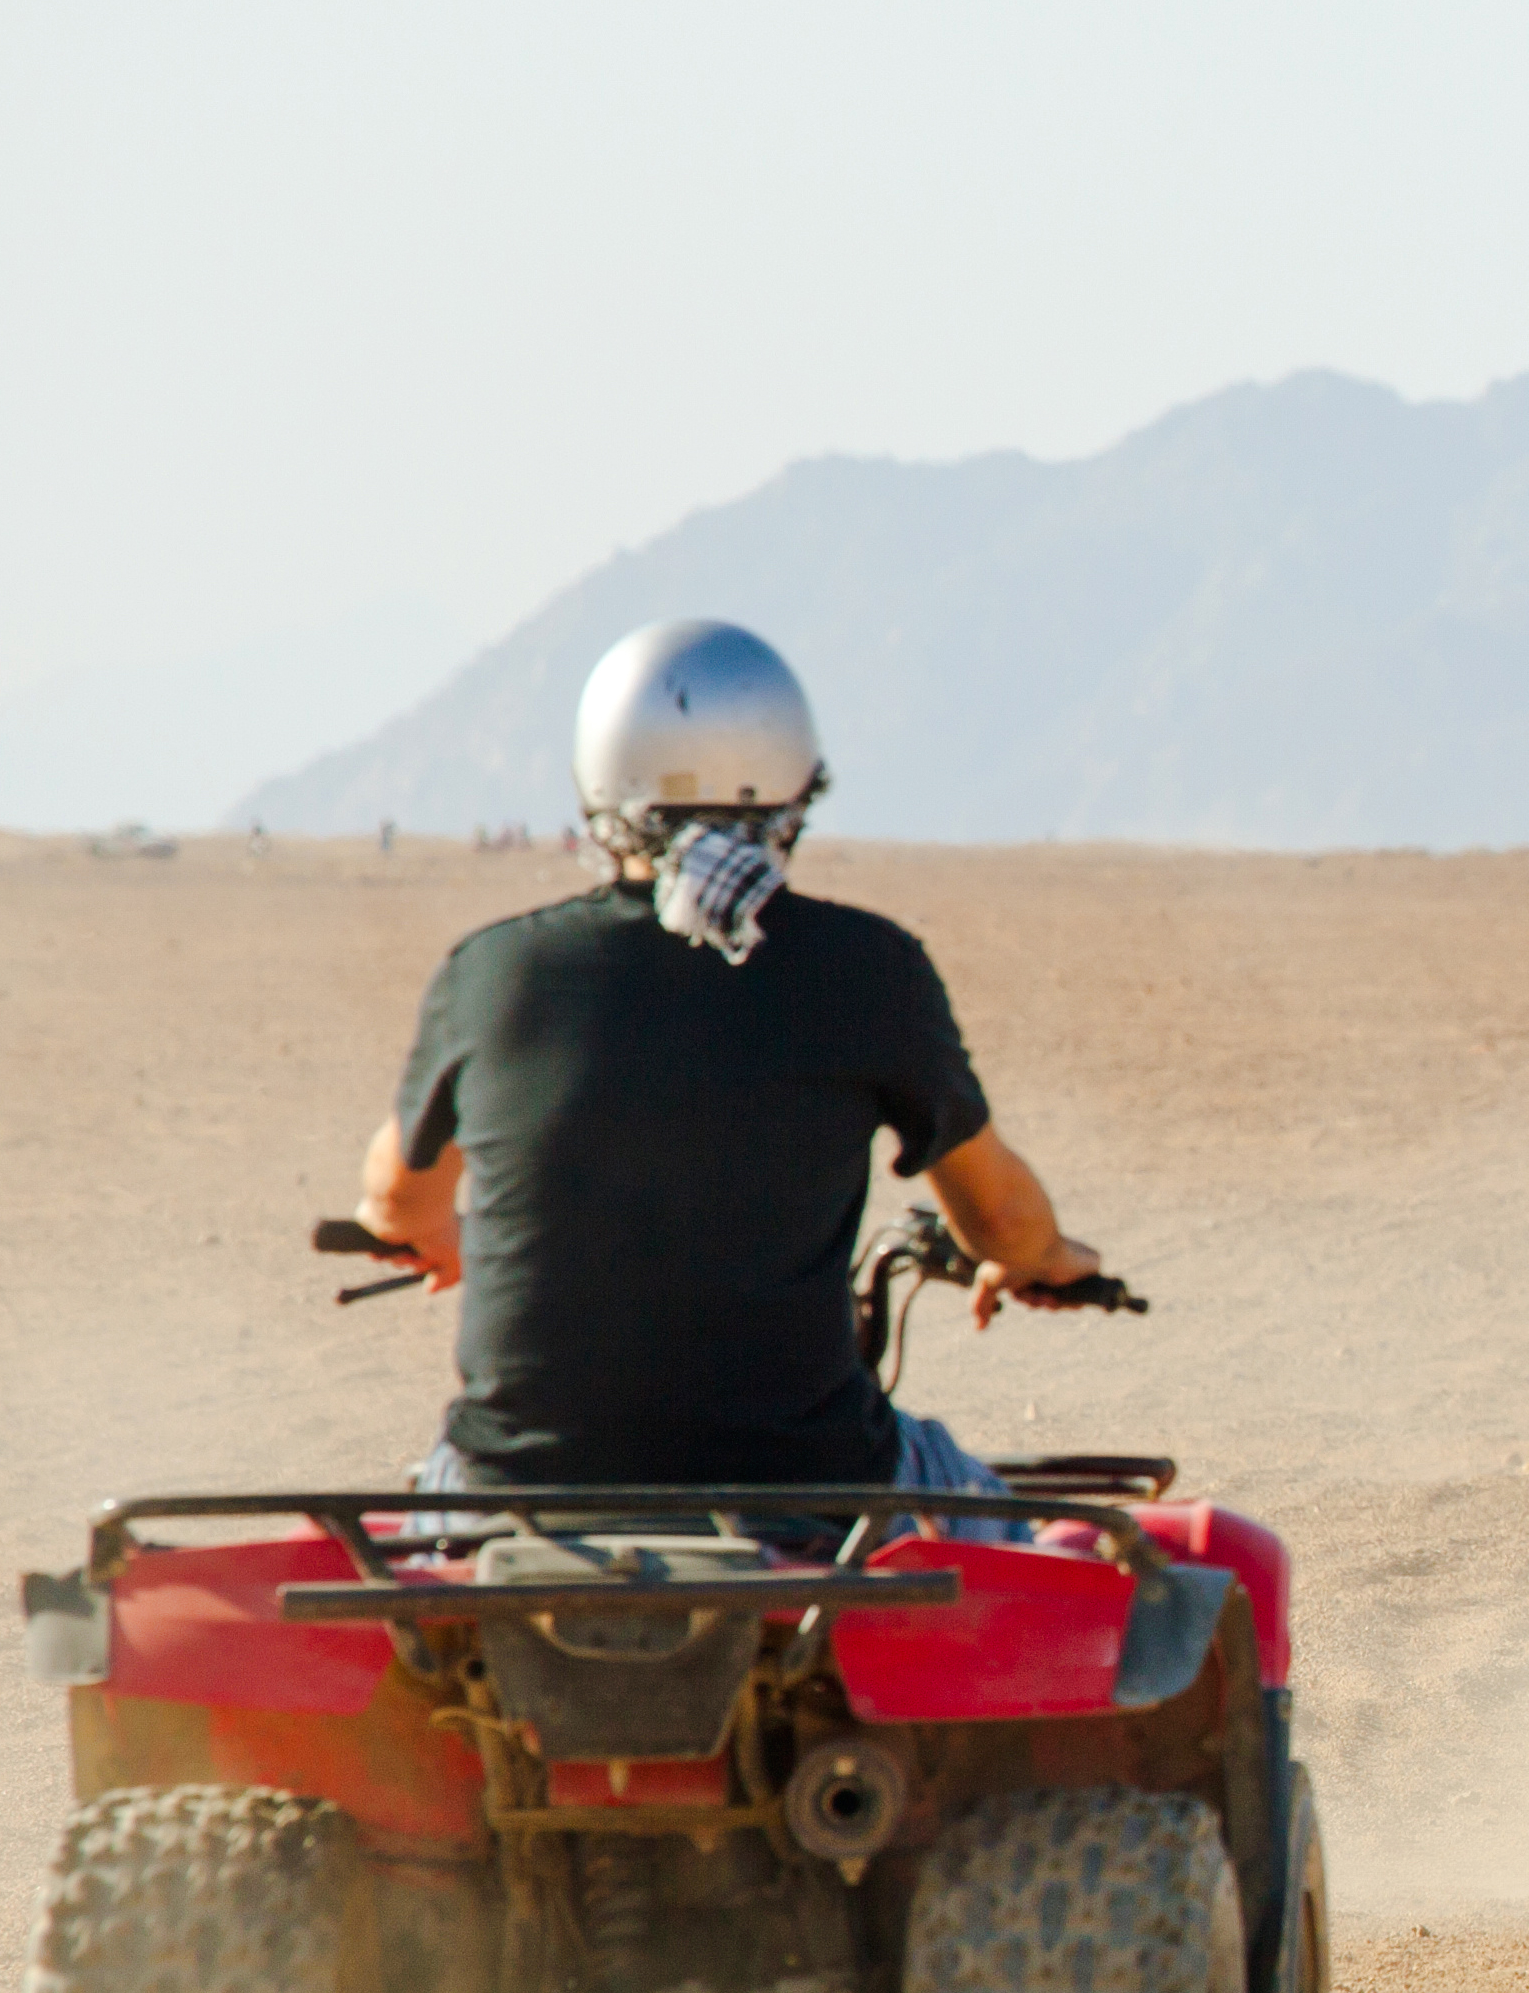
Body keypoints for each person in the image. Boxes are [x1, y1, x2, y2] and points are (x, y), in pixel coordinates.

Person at [351, 617, 1106, 1494]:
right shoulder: (868, 969)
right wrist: (1037, 1258)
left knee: (409, 1566)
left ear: (599, 790)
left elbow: (394, 1196)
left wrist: (436, 1234)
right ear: (794, 789)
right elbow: (1002, 1222)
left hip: (516, 1489)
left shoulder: (494, 973)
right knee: (1029, 1548)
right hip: (812, 1486)